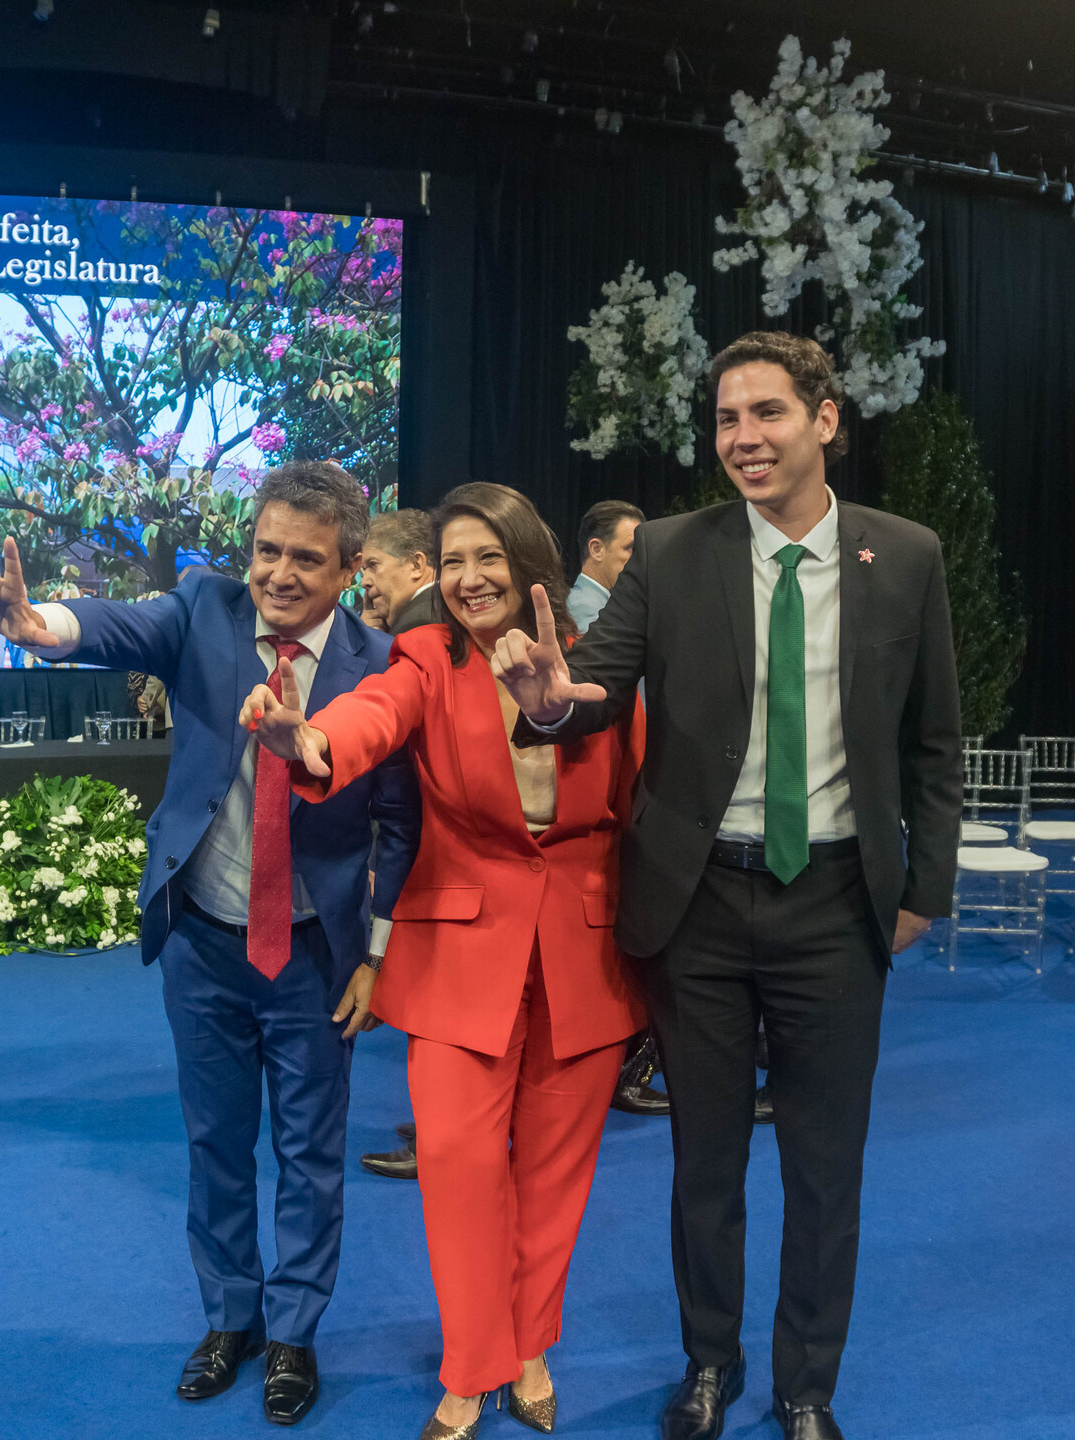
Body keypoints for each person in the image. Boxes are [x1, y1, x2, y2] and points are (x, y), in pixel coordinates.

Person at [491, 332, 962, 1440]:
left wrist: (924, 887)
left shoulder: (907, 554)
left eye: (766, 414)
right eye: (725, 420)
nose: (742, 439)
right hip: (695, 903)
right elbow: (595, 688)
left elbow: (936, 739)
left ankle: (807, 1389)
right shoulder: (670, 549)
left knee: (823, 1169)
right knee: (706, 1162)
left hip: (840, 902)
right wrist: (553, 699)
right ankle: (709, 1365)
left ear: (826, 419)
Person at [0, 461, 420, 1427]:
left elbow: (399, 823)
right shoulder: (202, 611)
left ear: (347, 570)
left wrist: (376, 956)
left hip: (315, 956)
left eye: (306, 558)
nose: (279, 574)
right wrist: (32, 622)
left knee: (311, 1153)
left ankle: (294, 1335)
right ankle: (231, 1318)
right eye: (267, 551)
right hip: (204, 942)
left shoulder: (382, 667)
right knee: (215, 1142)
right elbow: (102, 626)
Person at [241, 481, 645, 1439]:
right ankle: (471, 1364)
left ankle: (530, 1342)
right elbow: (371, 714)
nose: (468, 579)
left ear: (528, 562)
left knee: (555, 1174)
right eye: (452, 561)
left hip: (586, 947)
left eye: (487, 559)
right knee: (460, 1164)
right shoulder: (427, 656)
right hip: (461, 948)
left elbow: (647, 784)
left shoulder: (603, 660)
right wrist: (309, 739)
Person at [353, 505, 453, 1184]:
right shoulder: (448, 629)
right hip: (447, 854)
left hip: (433, 861)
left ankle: (444, 1139)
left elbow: (401, 803)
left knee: (436, 1006)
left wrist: (377, 929)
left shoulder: (415, 642)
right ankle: (442, 1129)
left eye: (371, 565)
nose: (362, 583)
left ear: (419, 566)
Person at [566, 499, 644, 634]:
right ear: (596, 550)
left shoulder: (606, 607)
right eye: (631, 548)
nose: (641, 559)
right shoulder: (584, 610)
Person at [362, 507, 440, 635]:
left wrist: (370, 642)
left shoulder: (417, 623)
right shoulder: (443, 609)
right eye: (364, 570)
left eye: (373, 564)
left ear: (416, 565)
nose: (364, 582)